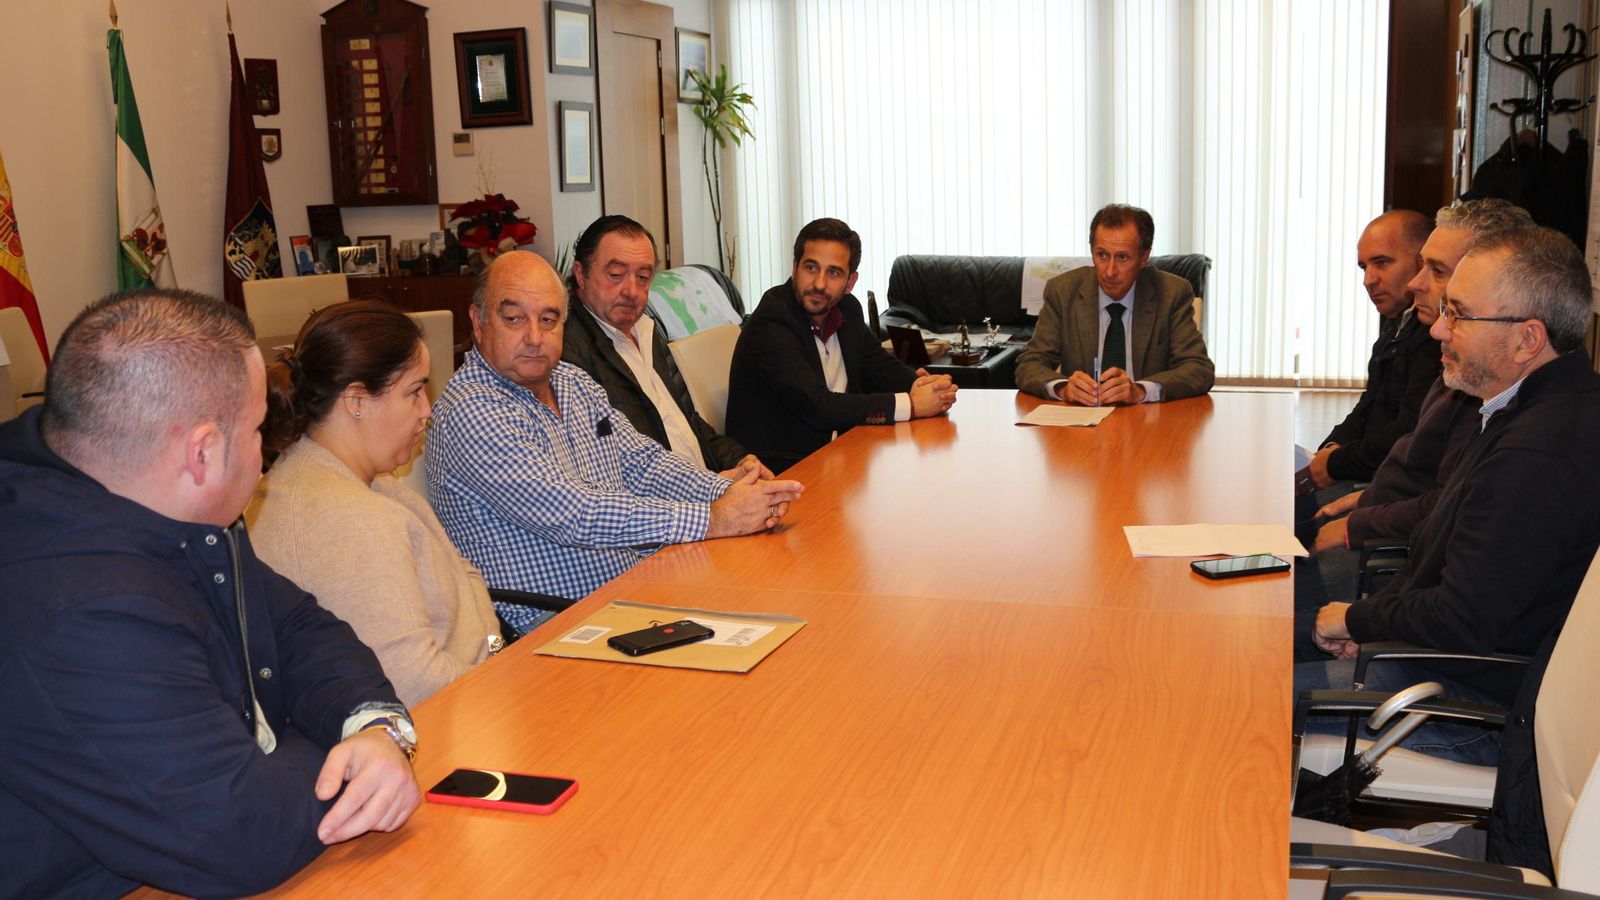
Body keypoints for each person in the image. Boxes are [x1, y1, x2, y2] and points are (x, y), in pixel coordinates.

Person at [0, 290, 421, 897]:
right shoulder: (78, 607)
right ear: (200, 453)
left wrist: (376, 730)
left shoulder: (176, 508)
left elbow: (301, 626)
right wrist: (346, 764)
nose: (266, 455)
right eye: (256, 431)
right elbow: (241, 835)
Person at [1297, 226, 1600, 765]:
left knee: (1245, 693)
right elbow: (1449, 557)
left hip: (1473, 704)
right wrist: (1372, 618)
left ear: (1528, 339)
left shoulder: (1540, 451)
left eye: (1459, 314)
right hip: (1447, 664)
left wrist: (1356, 621)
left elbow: (1463, 618)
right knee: (1262, 646)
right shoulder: (1526, 407)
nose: (1438, 328)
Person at [427, 251, 803, 632]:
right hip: (556, 620)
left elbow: (644, 464)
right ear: (478, 322)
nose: (534, 338)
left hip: (633, 585)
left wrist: (734, 491)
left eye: (548, 319)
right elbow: (575, 513)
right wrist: (714, 517)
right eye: (513, 319)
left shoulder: (572, 382)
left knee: (780, 604)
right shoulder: (472, 410)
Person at [251, 300, 503, 707]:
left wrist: (490, 650)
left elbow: (464, 573)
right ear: (356, 400)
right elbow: (414, 687)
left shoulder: (369, 485)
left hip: (472, 691)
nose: (426, 411)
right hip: (450, 726)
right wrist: (496, 673)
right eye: (415, 392)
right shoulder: (347, 518)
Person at [725, 217, 957, 472]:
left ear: (850, 282)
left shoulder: (847, 308)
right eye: (811, 268)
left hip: (843, 455)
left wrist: (919, 384)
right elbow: (818, 405)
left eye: (833, 273)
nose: (819, 284)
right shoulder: (772, 322)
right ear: (794, 267)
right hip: (783, 470)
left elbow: (876, 364)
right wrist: (912, 405)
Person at [561, 214, 765, 475]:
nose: (631, 291)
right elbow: (620, 467)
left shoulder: (647, 329)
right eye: (616, 275)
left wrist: (740, 460)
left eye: (643, 277)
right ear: (581, 274)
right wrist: (712, 490)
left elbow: (689, 426)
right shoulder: (568, 354)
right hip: (669, 507)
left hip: (705, 486)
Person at [1014, 203, 1213, 404]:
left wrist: (1141, 390)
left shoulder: (1171, 293)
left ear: (1144, 257)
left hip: (1148, 421)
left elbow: (1198, 369)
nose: (1110, 271)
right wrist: (1062, 387)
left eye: (1122, 258)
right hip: (1082, 425)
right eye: (1102, 255)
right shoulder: (1063, 292)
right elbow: (1029, 364)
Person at [1302, 210, 1437, 490]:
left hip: (1395, 484)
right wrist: (1331, 447)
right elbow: (1369, 406)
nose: (1368, 280)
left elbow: (1411, 431)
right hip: (1372, 470)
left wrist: (1335, 462)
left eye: (1382, 263)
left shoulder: (1435, 335)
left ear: (1423, 262)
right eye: (1364, 267)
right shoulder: (1396, 325)